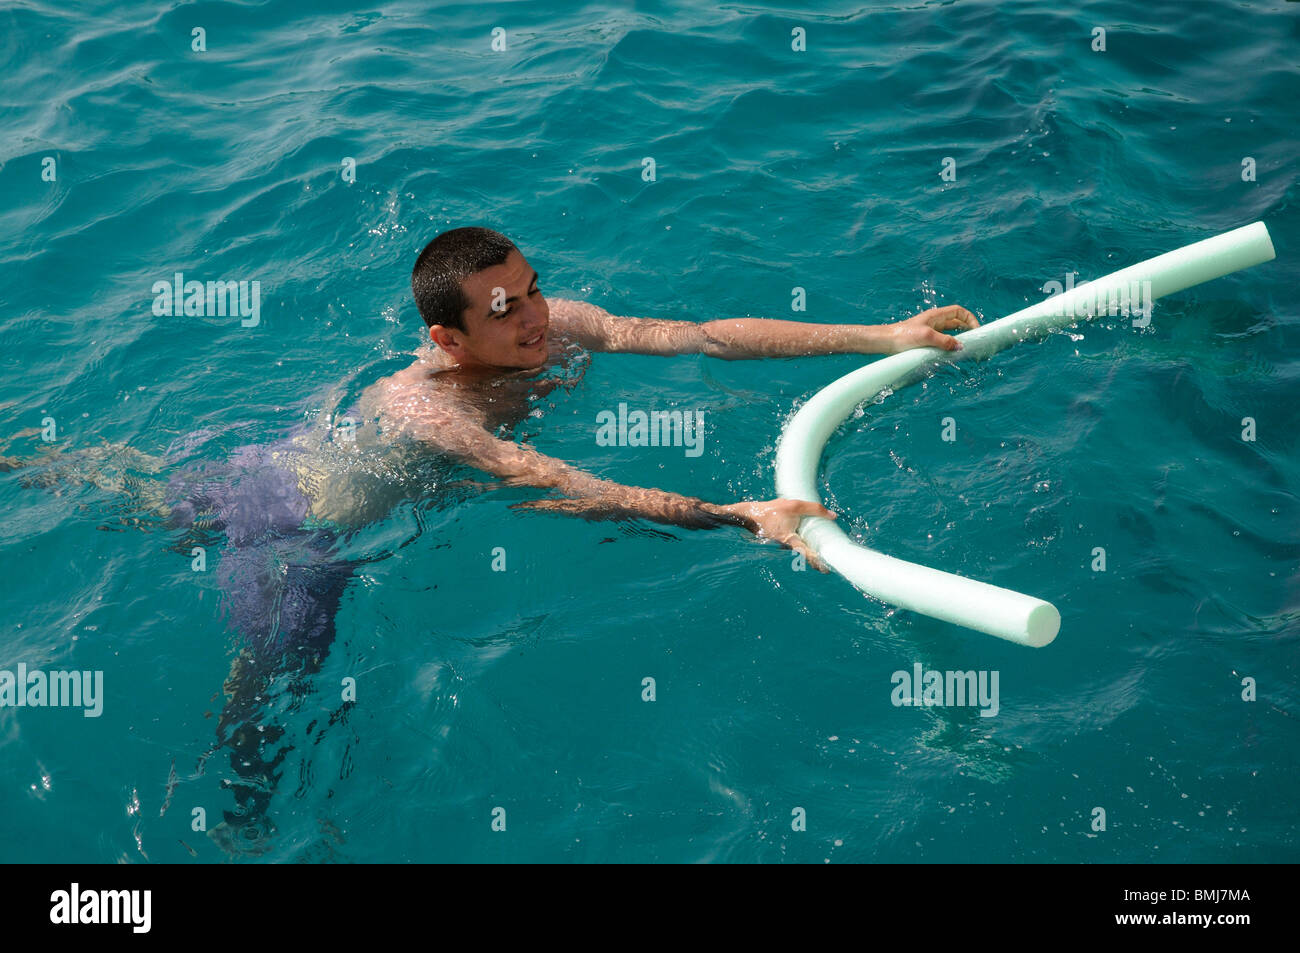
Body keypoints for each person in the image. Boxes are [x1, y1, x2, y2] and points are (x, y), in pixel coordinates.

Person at [359, 225, 979, 570]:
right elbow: (562, 485)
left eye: (533, 291)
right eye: (504, 311)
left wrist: (882, 336)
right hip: (335, 529)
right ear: (449, 340)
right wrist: (738, 517)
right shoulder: (428, 411)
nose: (535, 318)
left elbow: (704, 337)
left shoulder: (556, 324)